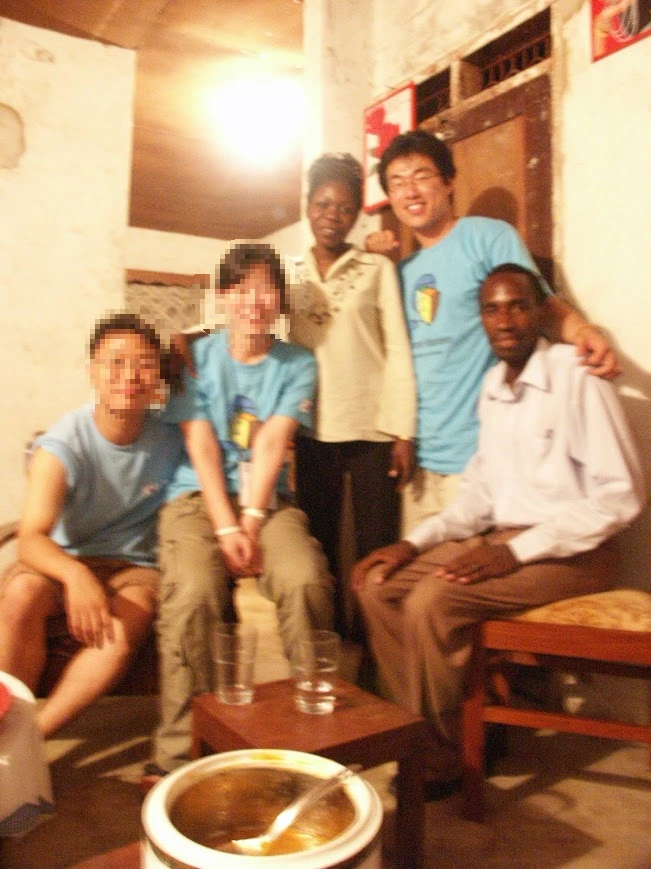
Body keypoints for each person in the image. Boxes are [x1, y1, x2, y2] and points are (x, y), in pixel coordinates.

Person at [353, 265, 645, 798]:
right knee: (376, 585)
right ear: (481, 319)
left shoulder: (576, 375)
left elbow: (620, 496)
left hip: (577, 552)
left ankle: (447, 757)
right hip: (505, 541)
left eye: (517, 306)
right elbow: (479, 496)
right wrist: (412, 543)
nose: (504, 321)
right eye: (492, 309)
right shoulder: (493, 386)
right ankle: (445, 733)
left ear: (541, 313)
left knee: (432, 602)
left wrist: (518, 551)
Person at [369, 129, 620, 533]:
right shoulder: (400, 272)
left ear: (449, 181)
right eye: (397, 183)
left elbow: (540, 306)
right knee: (414, 569)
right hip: (420, 465)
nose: (410, 191)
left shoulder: (487, 238)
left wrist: (584, 332)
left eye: (421, 176)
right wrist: (403, 435)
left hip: (482, 462)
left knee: (471, 571)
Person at [150, 242, 334, 775]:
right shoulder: (194, 358)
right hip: (197, 495)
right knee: (193, 590)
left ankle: (316, 735)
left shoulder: (298, 362)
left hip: (266, 497)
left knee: (304, 578)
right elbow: (202, 444)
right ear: (223, 296)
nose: (254, 301)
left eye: (266, 288)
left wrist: (250, 520)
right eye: (242, 288)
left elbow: (273, 441)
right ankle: (183, 752)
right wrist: (227, 527)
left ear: (279, 298)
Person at [0, 314, 183, 737]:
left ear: (158, 375)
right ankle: (7, 722)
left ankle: (33, 734)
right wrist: (74, 575)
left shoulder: (172, 436)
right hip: (67, 556)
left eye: (143, 364)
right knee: (21, 594)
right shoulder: (62, 444)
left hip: (136, 567)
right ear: (92, 371)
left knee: (130, 617)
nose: (129, 376)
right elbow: (31, 537)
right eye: (115, 363)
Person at [290, 153, 416, 637]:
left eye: (345, 208)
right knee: (317, 548)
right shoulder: (289, 273)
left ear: (357, 214)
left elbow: (398, 349)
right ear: (308, 206)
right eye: (323, 204)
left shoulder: (376, 269)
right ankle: (324, 644)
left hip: (373, 430)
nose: (333, 216)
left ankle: (370, 652)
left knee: (375, 548)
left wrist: (402, 431)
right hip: (311, 431)